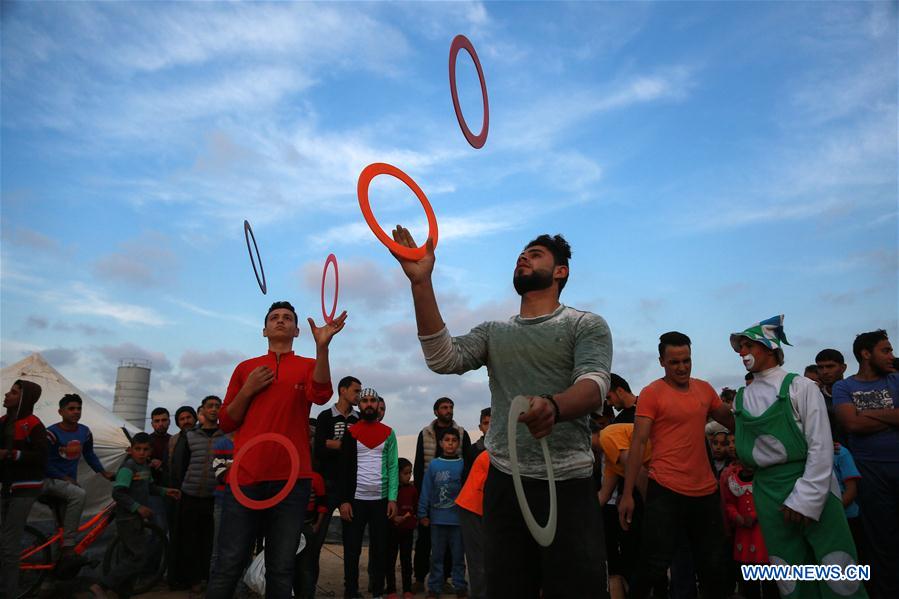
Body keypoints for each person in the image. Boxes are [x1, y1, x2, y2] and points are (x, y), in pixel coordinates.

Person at [390, 229, 612, 597]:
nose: (523, 257)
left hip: (569, 483)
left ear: (561, 272)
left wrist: (554, 406)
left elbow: (594, 385)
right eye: (521, 253)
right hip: (506, 483)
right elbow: (443, 358)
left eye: (536, 254)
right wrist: (421, 283)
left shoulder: (584, 324)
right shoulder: (494, 331)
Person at [208, 300, 346, 599]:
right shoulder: (246, 368)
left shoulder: (308, 365)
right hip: (245, 477)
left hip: (292, 479)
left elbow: (321, 395)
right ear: (264, 329)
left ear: (297, 331)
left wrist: (322, 347)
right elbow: (227, 421)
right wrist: (248, 389)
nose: (280, 321)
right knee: (229, 562)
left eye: (287, 318)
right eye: (274, 318)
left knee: (281, 567)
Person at [731, 315, 866, 598]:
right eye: (740, 347)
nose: (741, 352)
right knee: (787, 570)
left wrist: (805, 498)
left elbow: (821, 445)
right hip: (767, 491)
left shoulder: (800, 387)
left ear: (768, 348)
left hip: (810, 482)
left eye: (747, 346)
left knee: (836, 566)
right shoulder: (741, 398)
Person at [618, 331, 734, 599]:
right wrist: (627, 495)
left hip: (705, 491)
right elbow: (639, 442)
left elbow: (734, 423)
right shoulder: (651, 393)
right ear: (661, 362)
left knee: (714, 566)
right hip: (665, 489)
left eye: (686, 360)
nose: (682, 367)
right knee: (653, 563)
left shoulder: (705, 389)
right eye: (674, 362)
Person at [833, 330, 898, 599]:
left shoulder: (896, 380)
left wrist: (865, 413)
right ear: (866, 353)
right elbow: (851, 423)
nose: (891, 356)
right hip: (869, 472)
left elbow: (859, 419)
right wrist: (892, 416)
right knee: (882, 541)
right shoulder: (843, 387)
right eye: (886, 350)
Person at [90, 432, 181, 599]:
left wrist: (166, 491)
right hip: (128, 519)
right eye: (137, 449)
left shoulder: (145, 468)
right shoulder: (128, 467)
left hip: (137, 519)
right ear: (130, 450)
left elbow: (150, 488)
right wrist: (137, 507)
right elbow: (118, 493)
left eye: (146, 449)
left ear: (151, 451)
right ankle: (102, 585)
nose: (142, 453)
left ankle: (125, 592)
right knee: (138, 557)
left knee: (129, 556)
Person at [338, 388, 398, 599]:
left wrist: (392, 498)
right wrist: (343, 501)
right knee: (352, 550)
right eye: (365, 400)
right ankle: (351, 592)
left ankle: (378, 592)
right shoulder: (351, 432)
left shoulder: (389, 433)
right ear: (359, 405)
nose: (369, 404)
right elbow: (343, 470)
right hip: (356, 501)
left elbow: (392, 467)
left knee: (380, 549)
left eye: (373, 400)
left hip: (380, 501)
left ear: (378, 404)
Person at [43, 393, 114, 565]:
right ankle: (69, 545)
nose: (76, 412)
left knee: (58, 530)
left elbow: (89, 454)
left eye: (79, 408)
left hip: (66, 484)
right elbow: (42, 462)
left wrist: (104, 473)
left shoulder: (84, 432)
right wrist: (63, 477)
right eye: (71, 409)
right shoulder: (51, 433)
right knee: (79, 494)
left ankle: (53, 578)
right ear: (60, 411)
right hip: (48, 481)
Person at [412, 397, 471, 591]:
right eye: (444, 407)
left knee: (452, 546)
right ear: (436, 411)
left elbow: (468, 467)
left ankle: (446, 580)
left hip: (454, 502)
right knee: (425, 541)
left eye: (451, 407)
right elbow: (420, 465)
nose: (449, 410)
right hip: (430, 495)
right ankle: (420, 578)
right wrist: (422, 503)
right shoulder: (426, 433)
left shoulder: (461, 433)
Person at [311, 375, 361, 594]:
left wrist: (333, 444)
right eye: (356, 391)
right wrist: (342, 446)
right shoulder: (324, 416)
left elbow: (360, 451)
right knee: (315, 541)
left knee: (353, 545)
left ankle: (351, 590)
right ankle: (308, 589)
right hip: (327, 486)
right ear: (343, 390)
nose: (358, 395)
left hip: (351, 487)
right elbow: (318, 447)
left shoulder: (359, 419)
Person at [598, 422, 655, 599]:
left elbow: (637, 469)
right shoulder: (610, 456)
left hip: (666, 481)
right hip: (654, 488)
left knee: (654, 554)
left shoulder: (606, 436)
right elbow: (604, 495)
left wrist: (652, 510)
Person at [1, 380, 47, 599]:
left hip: (25, 488)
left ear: (24, 399)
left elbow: (42, 456)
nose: (6, 395)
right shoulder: (2, 422)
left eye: (13, 392)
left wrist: (12, 454)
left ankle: (9, 593)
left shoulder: (33, 424)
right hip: (6, 488)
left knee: (9, 546)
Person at [178, 394, 224, 594]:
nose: (214, 409)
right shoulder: (189, 435)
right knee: (190, 539)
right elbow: (181, 464)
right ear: (202, 410)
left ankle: (208, 578)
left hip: (216, 497)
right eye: (210, 406)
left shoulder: (227, 435)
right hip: (190, 494)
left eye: (217, 406)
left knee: (211, 540)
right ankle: (193, 580)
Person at [418, 428, 466, 599]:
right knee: (436, 557)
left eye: (454, 440)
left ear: (458, 444)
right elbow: (426, 490)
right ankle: (434, 589)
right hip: (437, 520)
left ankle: (460, 587)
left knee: (458, 557)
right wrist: (423, 513)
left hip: (458, 521)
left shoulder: (462, 465)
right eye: (447, 440)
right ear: (441, 443)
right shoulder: (434, 465)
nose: (451, 443)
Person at [719, 461, 778, 599]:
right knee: (749, 583)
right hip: (744, 538)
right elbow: (729, 503)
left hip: (763, 538)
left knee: (770, 581)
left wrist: (754, 516)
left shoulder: (765, 479)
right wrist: (737, 516)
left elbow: (770, 502)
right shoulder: (732, 479)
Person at [166, 404, 196, 589]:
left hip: (194, 494)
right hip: (176, 494)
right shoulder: (175, 440)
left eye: (188, 417)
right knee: (177, 536)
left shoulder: (199, 438)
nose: (186, 421)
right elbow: (171, 465)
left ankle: (192, 578)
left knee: (192, 537)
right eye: (182, 419)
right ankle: (176, 578)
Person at [386, 457, 418, 599]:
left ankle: (407, 589)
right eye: (405, 473)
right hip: (392, 530)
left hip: (407, 530)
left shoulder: (412, 490)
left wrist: (414, 518)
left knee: (406, 561)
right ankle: (391, 589)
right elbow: (385, 509)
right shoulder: (390, 490)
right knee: (390, 560)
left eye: (410, 473)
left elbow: (415, 507)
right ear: (397, 473)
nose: (408, 476)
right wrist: (394, 518)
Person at [294, 470, 327, 599]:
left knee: (306, 566)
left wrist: (317, 525)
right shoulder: (286, 476)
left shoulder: (315, 478)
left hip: (307, 527)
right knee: (289, 565)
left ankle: (307, 595)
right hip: (289, 528)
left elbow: (323, 503)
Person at [209, 432, 234, 580]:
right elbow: (221, 476)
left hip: (245, 503)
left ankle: (241, 589)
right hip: (222, 501)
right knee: (218, 547)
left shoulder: (251, 441)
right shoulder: (221, 444)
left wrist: (230, 465)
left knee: (242, 548)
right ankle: (215, 586)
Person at [816, 348, 849, 446]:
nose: (825, 371)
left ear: (843, 368)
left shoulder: (855, 393)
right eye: (820, 367)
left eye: (830, 366)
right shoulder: (815, 396)